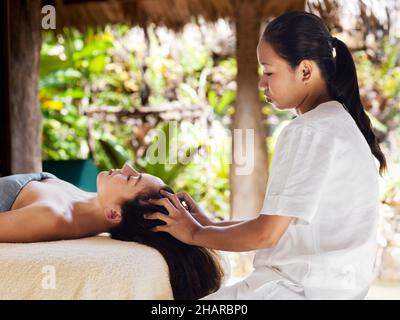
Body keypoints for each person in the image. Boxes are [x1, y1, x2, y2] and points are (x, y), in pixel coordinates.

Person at [144, 11, 387, 299]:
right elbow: (278, 226)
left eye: (269, 71)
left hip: (295, 290)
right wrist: (207, 224)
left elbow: (265, 235)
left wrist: (193, 234)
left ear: (305, 71)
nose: (262, 83)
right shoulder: (337, 124)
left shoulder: (309, 130)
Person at [0, 163, 224, 300]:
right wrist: (201, 225)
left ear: (114, 215)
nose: (126, 167)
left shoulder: (52, 217)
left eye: (129, 178)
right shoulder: (86, 200)